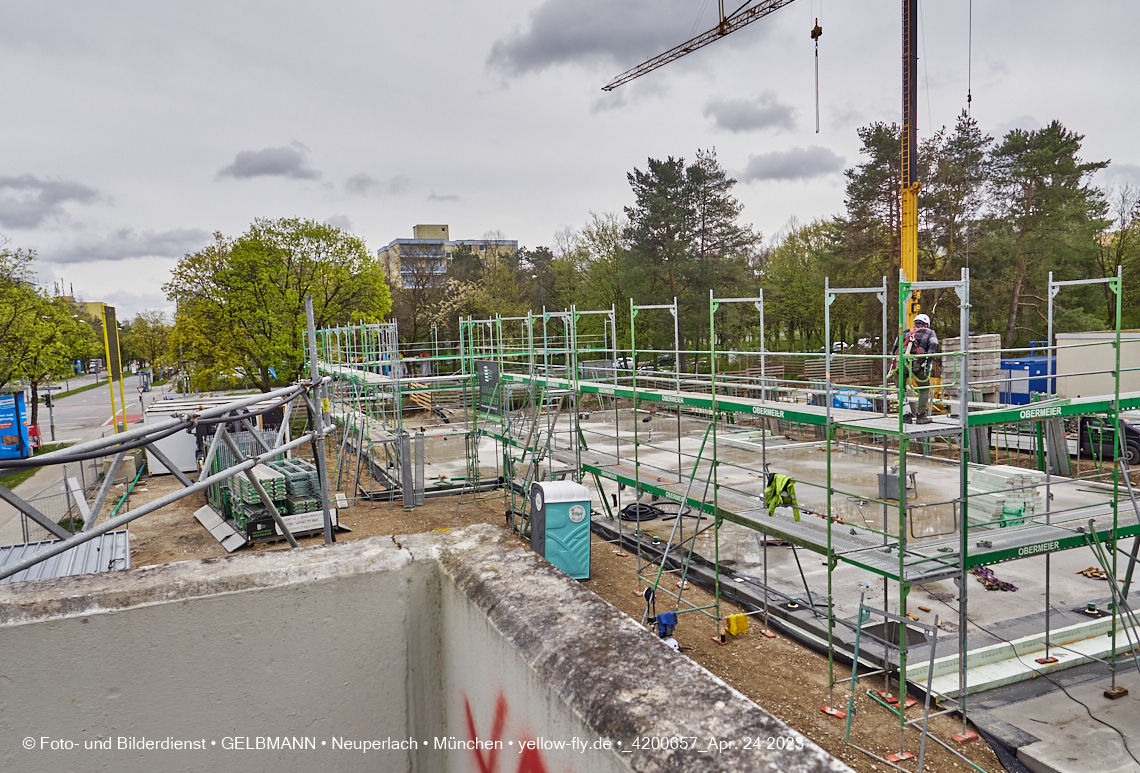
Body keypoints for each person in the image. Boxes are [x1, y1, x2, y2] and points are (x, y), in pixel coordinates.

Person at [891, 313, 939, 424]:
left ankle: (906, 416)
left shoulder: (904, 332)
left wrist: (894, 363)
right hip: (917, 363)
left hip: (901, 364)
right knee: (924, 388)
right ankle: (921, 416)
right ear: (926, 324)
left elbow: (894, 350)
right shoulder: (930, 332)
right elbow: (934, 345)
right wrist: (927, 362)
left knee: (900, 390)